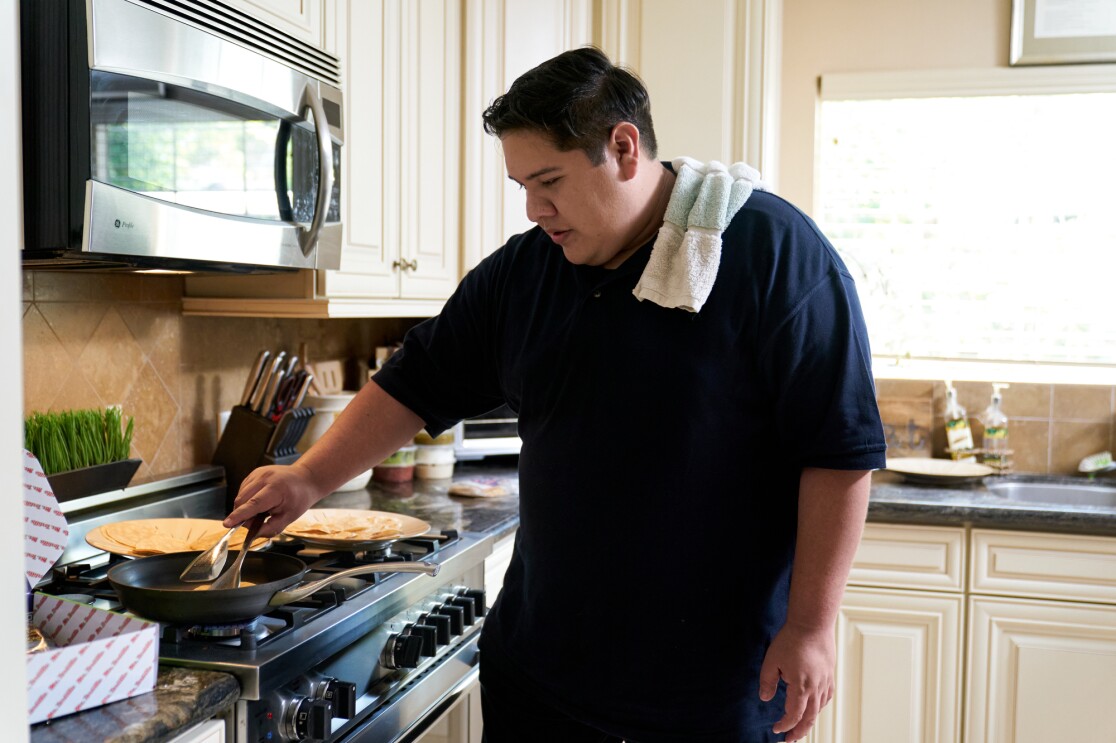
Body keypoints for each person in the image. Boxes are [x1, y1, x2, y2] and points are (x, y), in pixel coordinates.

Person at [225, 46, 885, 743]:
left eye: (550, 181)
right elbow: (414, 384)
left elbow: (838, 452)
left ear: (623, 148)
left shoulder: (773, 255)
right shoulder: (523, 275)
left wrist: (812, 625)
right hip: (541, 683)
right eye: (523, 187)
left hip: (709, 694)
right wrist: (307, 477)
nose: (537, 209)